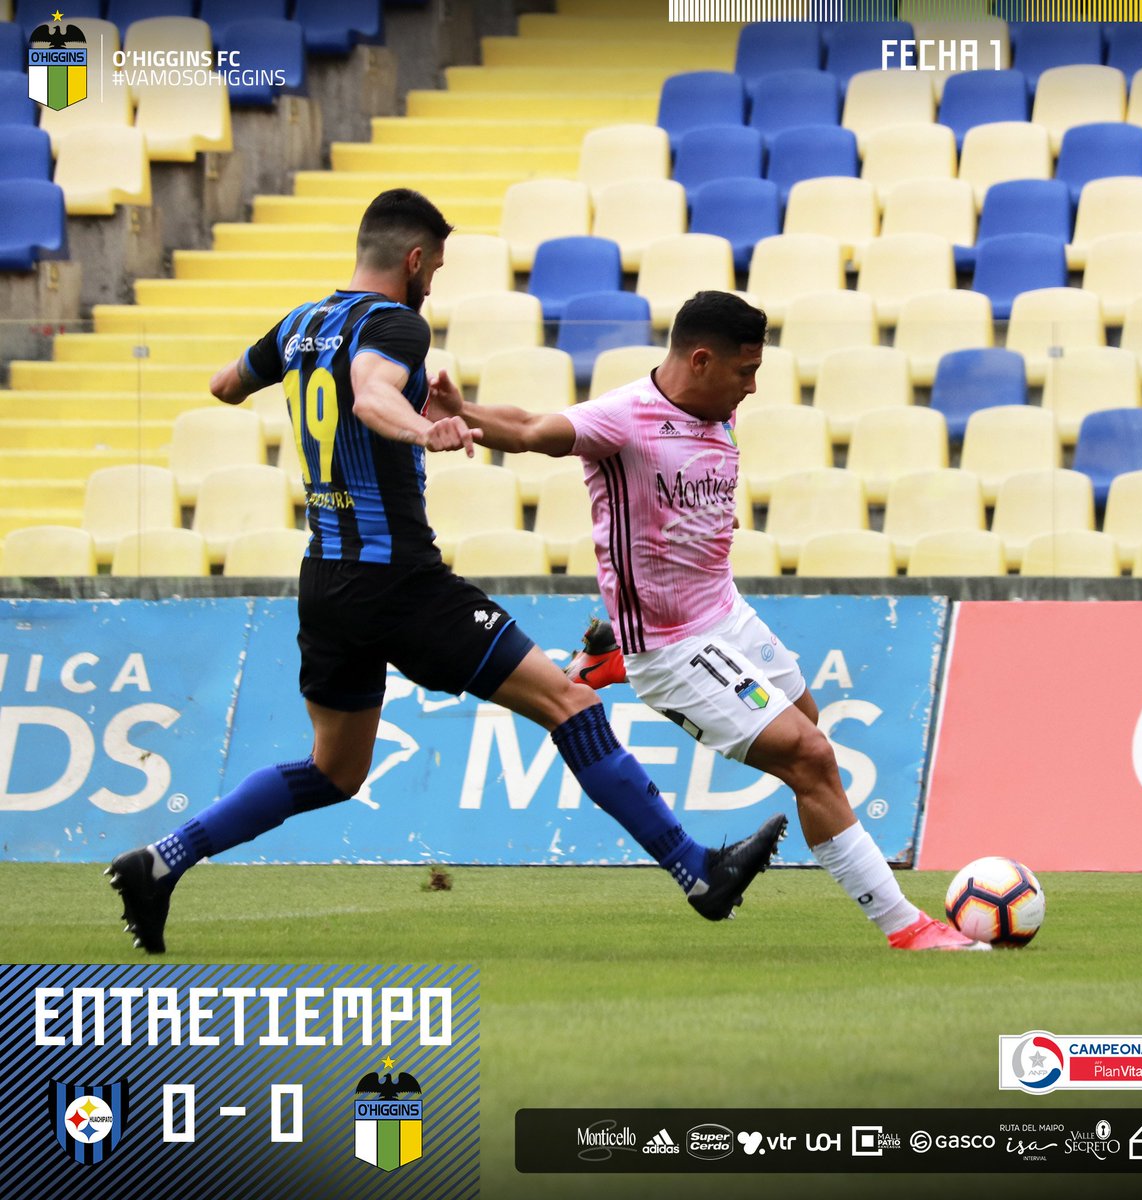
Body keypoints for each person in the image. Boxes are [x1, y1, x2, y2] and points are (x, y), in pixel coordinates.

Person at [106, 194, 786, 953]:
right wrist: (421, 429)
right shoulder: (396, 324)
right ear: (414, 260)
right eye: (434, 266)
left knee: (334, 771)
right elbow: (370, 394)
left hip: (325, 581)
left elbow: (224, 385)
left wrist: (300, 373)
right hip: (399, 581)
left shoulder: (298, 324)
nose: (432, 281)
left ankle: (161, 861)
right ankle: (698, 873)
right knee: (569, 702)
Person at [435, 290, 988, 951]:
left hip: (726, 611)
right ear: (700, 360)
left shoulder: (717, 410)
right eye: (744, 371)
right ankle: (906, 927)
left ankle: (609, 655)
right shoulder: (624, 419)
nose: (752, 388)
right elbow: (531, 429)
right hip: (672, 647)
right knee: (811, 759)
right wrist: (462, 412)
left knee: (807, 727)